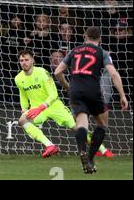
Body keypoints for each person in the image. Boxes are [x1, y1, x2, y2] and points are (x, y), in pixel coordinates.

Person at [54, 27, 129, 174]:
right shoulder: (102, 52)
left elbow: (57, 71)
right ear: (99, 39)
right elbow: (113, 74)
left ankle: (82, 150)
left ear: (85, 37)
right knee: (102, 124)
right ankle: (89, 158)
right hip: (93, 91)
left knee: (81, 124)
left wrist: (67, 87)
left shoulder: (74, 51)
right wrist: (122, 95)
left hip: (75, 91)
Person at [15, 49, 110, 159]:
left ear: (32, 61)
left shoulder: (42, 72)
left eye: (26, 60)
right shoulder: (18, 78)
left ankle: (103, 149)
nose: (24, 62)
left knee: (77, 128)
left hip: (53, 105)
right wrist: (24, 109)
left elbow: (54, 94)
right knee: (23, 120)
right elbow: (23, 95)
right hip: (37, 108)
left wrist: (42, 107)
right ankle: (50, 146)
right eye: (21, 60)